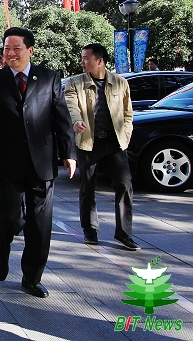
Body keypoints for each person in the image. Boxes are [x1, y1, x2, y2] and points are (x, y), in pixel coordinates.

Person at [0, 27, 76, 298]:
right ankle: (3, 246)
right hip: (8, 160)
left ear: (30, 50)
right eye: (6, 49)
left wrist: (69, 153)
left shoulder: (49, 78)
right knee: (11, 216)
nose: (10, 54)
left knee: (40, 222)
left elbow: (61, 118)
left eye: (16, 49)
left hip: (42, 161)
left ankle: (32, 277)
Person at [64, 43, 139, 251]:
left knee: (124, 185)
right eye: (82, 58)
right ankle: (90, 231)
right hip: (89, 142)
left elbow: (128, 113)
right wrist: (77, 122)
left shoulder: (120, 83)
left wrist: (126, 136)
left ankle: (124, 234)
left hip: (115, 143)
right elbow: (71, 106)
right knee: (87, 188)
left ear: (100, 61)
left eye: (86, 58)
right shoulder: (75, 83)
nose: (82, 62)